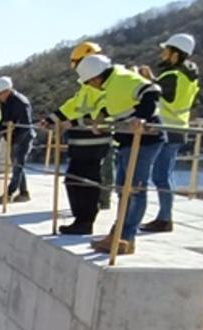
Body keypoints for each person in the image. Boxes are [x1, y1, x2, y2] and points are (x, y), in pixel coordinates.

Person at [76, 55, 165, 256]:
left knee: (134, 190)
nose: (91, 85)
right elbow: (118, 106)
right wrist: (101, 117)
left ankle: (126, 238)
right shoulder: (112, 84)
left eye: (90, 81)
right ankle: (117, 235)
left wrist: (142, 118)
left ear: (97, 77)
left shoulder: (122, 78)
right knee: (122, 190)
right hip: (127, 140)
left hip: (145, 140)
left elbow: (152, 91)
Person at [45, 41, 112, 235]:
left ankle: (85, 221)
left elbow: (102, 114)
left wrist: (72, 123)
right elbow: (73, 105)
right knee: (73, 180)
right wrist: (52, 118)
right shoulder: (88, 85)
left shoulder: (102, 86)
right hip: (81, 143)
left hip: (94, 142)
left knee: (85, 182)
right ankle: (81, 220)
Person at [139, 33, 200, 233]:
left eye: (167, 50)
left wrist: (147, 80)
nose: (163, 54)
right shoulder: (187, 75)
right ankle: (165, 216)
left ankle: (165, 218)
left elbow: (162, 97)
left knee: (160, 175)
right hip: (178, 127)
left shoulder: (172, 75)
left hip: (166, 128)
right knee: (165, 174)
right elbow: (172, 96)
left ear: (176, 54)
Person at [0, 76, 34, 205]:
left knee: (17, 165)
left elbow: (25, 125)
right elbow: (3, 120)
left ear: (6, 91)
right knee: (18, 166)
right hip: (13, 137)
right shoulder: (5, 102)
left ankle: (8, 194)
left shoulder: (21, 102)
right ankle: (24, 193)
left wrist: (16, 141)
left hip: (23, 138)